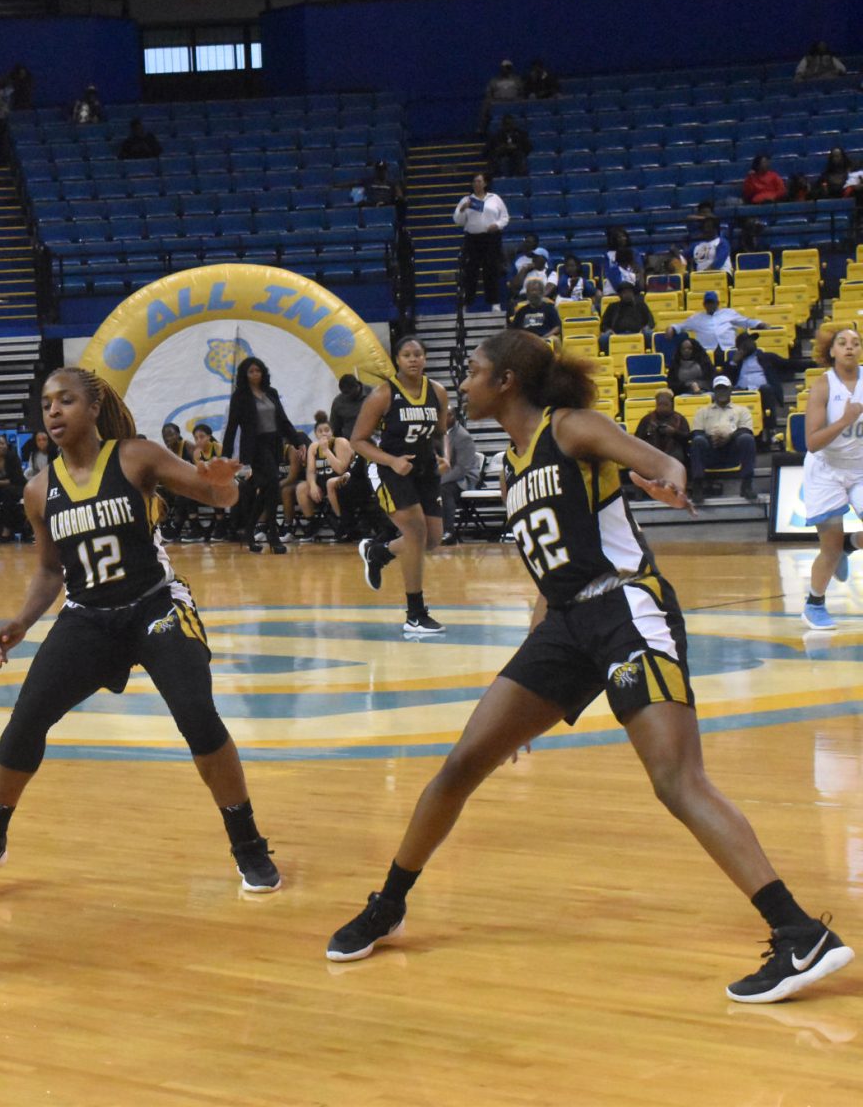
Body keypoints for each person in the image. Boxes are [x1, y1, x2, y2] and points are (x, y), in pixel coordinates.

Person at [325, 330, 854, 1007]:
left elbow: (665, 462)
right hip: (563, 627)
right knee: (460, 764)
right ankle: (389, 903)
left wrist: (662, 477)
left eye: (477, 371)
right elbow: (548, 576)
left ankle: (799, 933)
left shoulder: (570, 428)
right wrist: (529, 691)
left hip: (626, 608)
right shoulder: (515, 466)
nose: (466, 383)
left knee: (676, 780)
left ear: (508, 381)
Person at [0, 366, 282, 895]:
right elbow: (51, 570)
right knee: (25, 721)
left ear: (93, 408)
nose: (53, 411)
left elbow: (220, 499)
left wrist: (222, 482)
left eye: (66, 401)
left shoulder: (135, 456)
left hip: (155, 605)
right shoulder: (38, 490)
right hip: (87, 617)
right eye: (47, 403)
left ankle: (248, 844)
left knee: (197, 715)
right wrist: (22, 620)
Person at [353, 335, 450, 636]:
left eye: (418, 354)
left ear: (425, 358)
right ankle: (415, 614)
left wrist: (440, 455)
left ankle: (379, 552)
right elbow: (358, 441)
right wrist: (392, 461)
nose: (413, 359)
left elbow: (440, 431)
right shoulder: (383, 395)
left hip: (425, 470)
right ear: (397, 360)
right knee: (416, 532)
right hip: (389, 469)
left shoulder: (438, 392)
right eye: (406, 354)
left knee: (432, 539)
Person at [798, 325, 863, 630]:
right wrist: (845, 420)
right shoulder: (823, 386)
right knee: (830, 548)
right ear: (832, 351)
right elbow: (812, 442)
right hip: (826, 469)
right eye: (843, 342)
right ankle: (814, 604)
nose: (850, 347)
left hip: (860, 468)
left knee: (840, 546)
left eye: (855, 342)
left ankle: (851, 544)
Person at [223, 357, 305, 554]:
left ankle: (250, 531)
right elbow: (232, 426)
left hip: (273, 444)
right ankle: (273, 536)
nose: (255, 375)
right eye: (250, 371)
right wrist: (225, 456)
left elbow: (283, 420)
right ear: (244, 374)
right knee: (273, 486)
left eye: (257, 371)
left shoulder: (271, 392)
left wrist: (297, 441)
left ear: (263, 373)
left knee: (268, 490)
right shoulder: (240, 396)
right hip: (255, 447)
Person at [689, 376, 757, 503]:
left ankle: (747, 485)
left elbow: (746, 430)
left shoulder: (742, 411)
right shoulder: (702, 412)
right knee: (698, 441)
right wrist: (712, 438)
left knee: (747, 439)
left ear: (730, 390)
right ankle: (698, 485)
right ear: (714, 391)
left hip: (733, 450)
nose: (722, 392)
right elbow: (697, 432)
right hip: (711, 448)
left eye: (724, 389)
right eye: (719, 390)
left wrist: (729, 437)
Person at [452, 172, 509, 311]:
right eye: (474, 181)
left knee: (491, 270)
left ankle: (494, 302)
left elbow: (505, 217)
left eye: (479, 181)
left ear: (485, 183)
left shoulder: (494, 198)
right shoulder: (466, 200)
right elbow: (458, 221)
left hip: (491, 238)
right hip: (473, 239)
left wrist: (497, 225)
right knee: (471, 271)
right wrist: (462, 209)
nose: (476, 184)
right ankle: (466, 303)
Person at [724, 330, 795, 434]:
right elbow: (723, 379)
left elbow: (789, 364)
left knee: (766, 389)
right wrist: (733, 362)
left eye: (752, 341)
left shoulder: (767, 357)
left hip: (762, 392)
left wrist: (813, 363)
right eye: (747, 342)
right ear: (739, 347)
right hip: (741, 392)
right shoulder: (734, 361)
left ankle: (771, 431)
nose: (752, 343)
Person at [297, 412, 353, 541]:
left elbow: (341, 469)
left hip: (344, 479)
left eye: (327, 430)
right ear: (315, 434)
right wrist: (312, 486)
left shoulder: (341, 442)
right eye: (320, 431)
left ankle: (342, 523)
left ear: (332, 432)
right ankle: (312, 524)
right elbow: (311, 471)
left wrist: (327, 450)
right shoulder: (313, 447)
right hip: (324, 480)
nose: (324, 434)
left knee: (330, 483)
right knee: (301, 487)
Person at [438, 406, 485, 544]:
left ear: (453, 417)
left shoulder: (463, 437)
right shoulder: (437, 434)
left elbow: (461, 469)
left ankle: (448, 531)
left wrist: (439, 480)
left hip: (463, 479)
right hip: (445, 475)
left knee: (444, 489)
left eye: (445, 415)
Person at [668, 291, 768, 356]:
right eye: (708, 303)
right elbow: (681, 326)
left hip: (729, 348)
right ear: (704, 304)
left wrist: (759, 324)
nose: (710, 305)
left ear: (717, 303)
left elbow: (745, 321)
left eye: (712, 302)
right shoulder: (696, 318)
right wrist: (672, 328)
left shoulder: (728, 313)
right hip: (707, 351)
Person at [635, 390, 689, 464]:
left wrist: (674, 432)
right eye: (660, 404)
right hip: (652, 450)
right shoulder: (647, 419)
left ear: (672, 404)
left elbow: (687, 439)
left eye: (666, 404)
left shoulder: (679, 418)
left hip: (674, 450)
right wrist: (648, 432)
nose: (662, 407)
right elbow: (637, 439)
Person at [599, 280, 655, 351]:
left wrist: (645, 328)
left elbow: (651, 321)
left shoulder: (641, 305)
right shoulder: (612, 306)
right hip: (616, 334)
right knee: (604, 338)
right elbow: (603, 325)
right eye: (624, 292)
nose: (627, 294)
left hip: (639, 333)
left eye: (629, 292)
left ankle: (648, 352)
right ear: (620, 295)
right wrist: (609, 330)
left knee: (649, 333)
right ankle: (605, 356)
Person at [330, 374, 373, 442]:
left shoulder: (374, 393)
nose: (347, 396)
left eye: (349, 392)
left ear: (357, 386)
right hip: (351, 443)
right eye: (344, 393)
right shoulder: (338, 403)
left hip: (375, 439)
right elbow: (336, 428)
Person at [485, 113, 531, 178]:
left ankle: (520, 179)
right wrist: (501, 148)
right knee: (502, 161)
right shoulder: (496, 136)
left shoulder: (520, 134)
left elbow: (528, 147)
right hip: (502, 156)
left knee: (519, 157)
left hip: (517, 156)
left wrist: (516, 147)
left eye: (510, 124)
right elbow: (487, 150)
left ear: (513, 124)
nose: (508, 126)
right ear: (502, 125)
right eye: (506, 124)